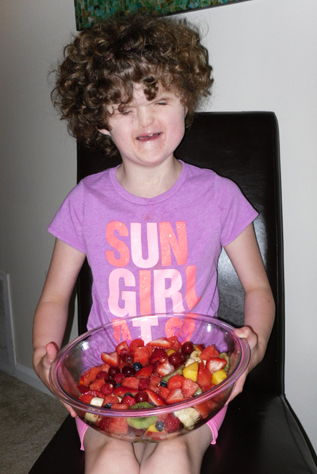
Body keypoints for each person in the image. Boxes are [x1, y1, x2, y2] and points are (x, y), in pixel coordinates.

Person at [33, 12, 275, 474]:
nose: (144, 118)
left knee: (171, 459)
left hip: (197, 379)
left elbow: (257, 290)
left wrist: (254, 347)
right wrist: (44, 355)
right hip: (107, 385)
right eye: (123, 108)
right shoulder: (85, 201)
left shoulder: (220, 195)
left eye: (159, 99)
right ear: (100, 121)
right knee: (112, 464)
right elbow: (55, 295)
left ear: (186, 99)